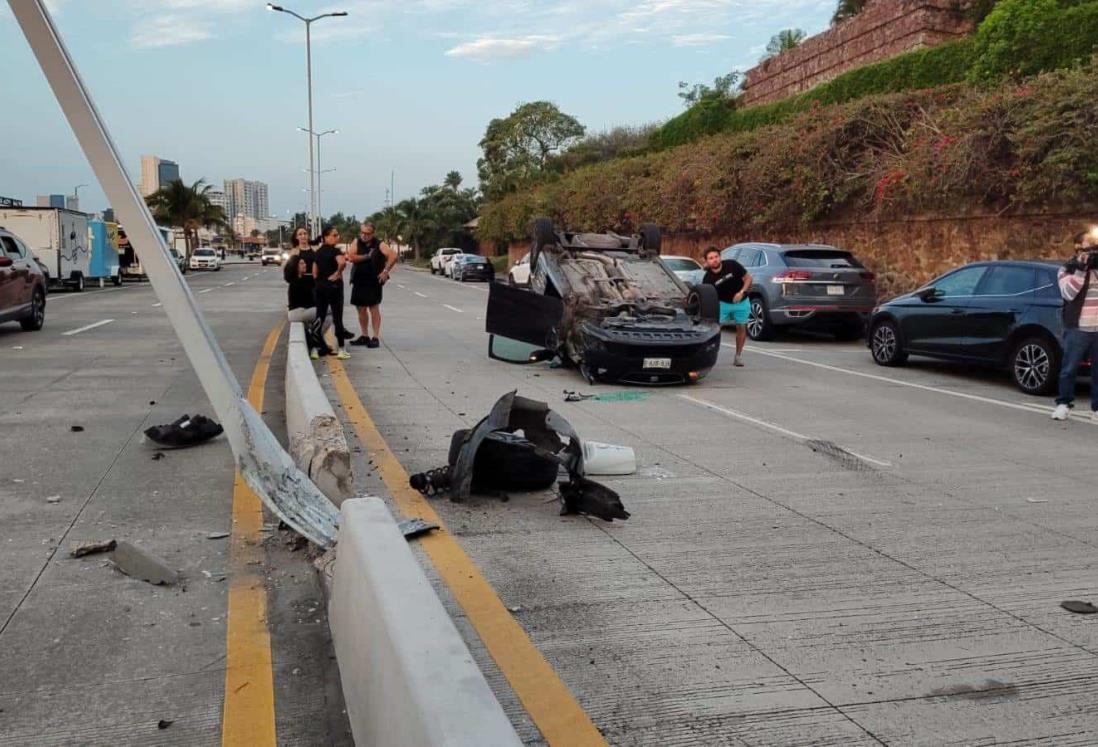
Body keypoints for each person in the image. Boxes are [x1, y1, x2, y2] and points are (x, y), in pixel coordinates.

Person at [1052, 229, 1098, 421]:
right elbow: (1069, 294)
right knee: (1069, 368)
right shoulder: (1066, 269)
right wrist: (1081, 269)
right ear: (1078, 248)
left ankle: (1097, 409)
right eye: (1090, 244)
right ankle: (1063, 404)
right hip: (1077, 328)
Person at [347, 222, 397, 348]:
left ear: (372, 234)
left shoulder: (379, 244)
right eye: (362, 232)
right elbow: (351, 257)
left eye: (367, 233)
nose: (364, 236)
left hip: (373, 280)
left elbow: (393, 255)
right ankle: (364, 335)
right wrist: (366, 256)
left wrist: (385, 271)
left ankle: (375, 337)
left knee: (374, 308)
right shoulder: (356, 242)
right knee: (361, 309)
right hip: (359, 279)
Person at [702, 246, 753, 367]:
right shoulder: (707, 279)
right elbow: (709, 296)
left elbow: (748, 278)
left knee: (741, 327)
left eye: (716, 257)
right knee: (714, 329)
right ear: (707, 261)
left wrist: (742, 292)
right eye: (711, 258)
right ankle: (711, 355)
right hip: (723, 304)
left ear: (720, 257)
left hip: (741, 301)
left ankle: (738, 356)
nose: (714, 260)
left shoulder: (732, 265)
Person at [312, 225, 352, 361]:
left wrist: (320, 282)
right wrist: (337, 273)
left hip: (320, 287)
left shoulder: (318, 252)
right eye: (334, 235)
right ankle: (341, 349)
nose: (337, 237)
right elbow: (342, 263)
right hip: (334, 287)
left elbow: (314, 273)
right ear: (326, 237)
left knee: (319, 317)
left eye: (337, 235)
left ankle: (314, 349)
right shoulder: (336, 251)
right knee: (337, 317)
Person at [284, 255, 331, 360]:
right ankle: (316, 337)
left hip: (303, 311)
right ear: (295, 266)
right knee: (330, 310)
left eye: (304, 263)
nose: (305, 265)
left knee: (328, 317)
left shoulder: (304, 278)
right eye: (301, 263)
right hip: (297, 313)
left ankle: (315, 338)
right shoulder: (295, 282)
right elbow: (307, 302)